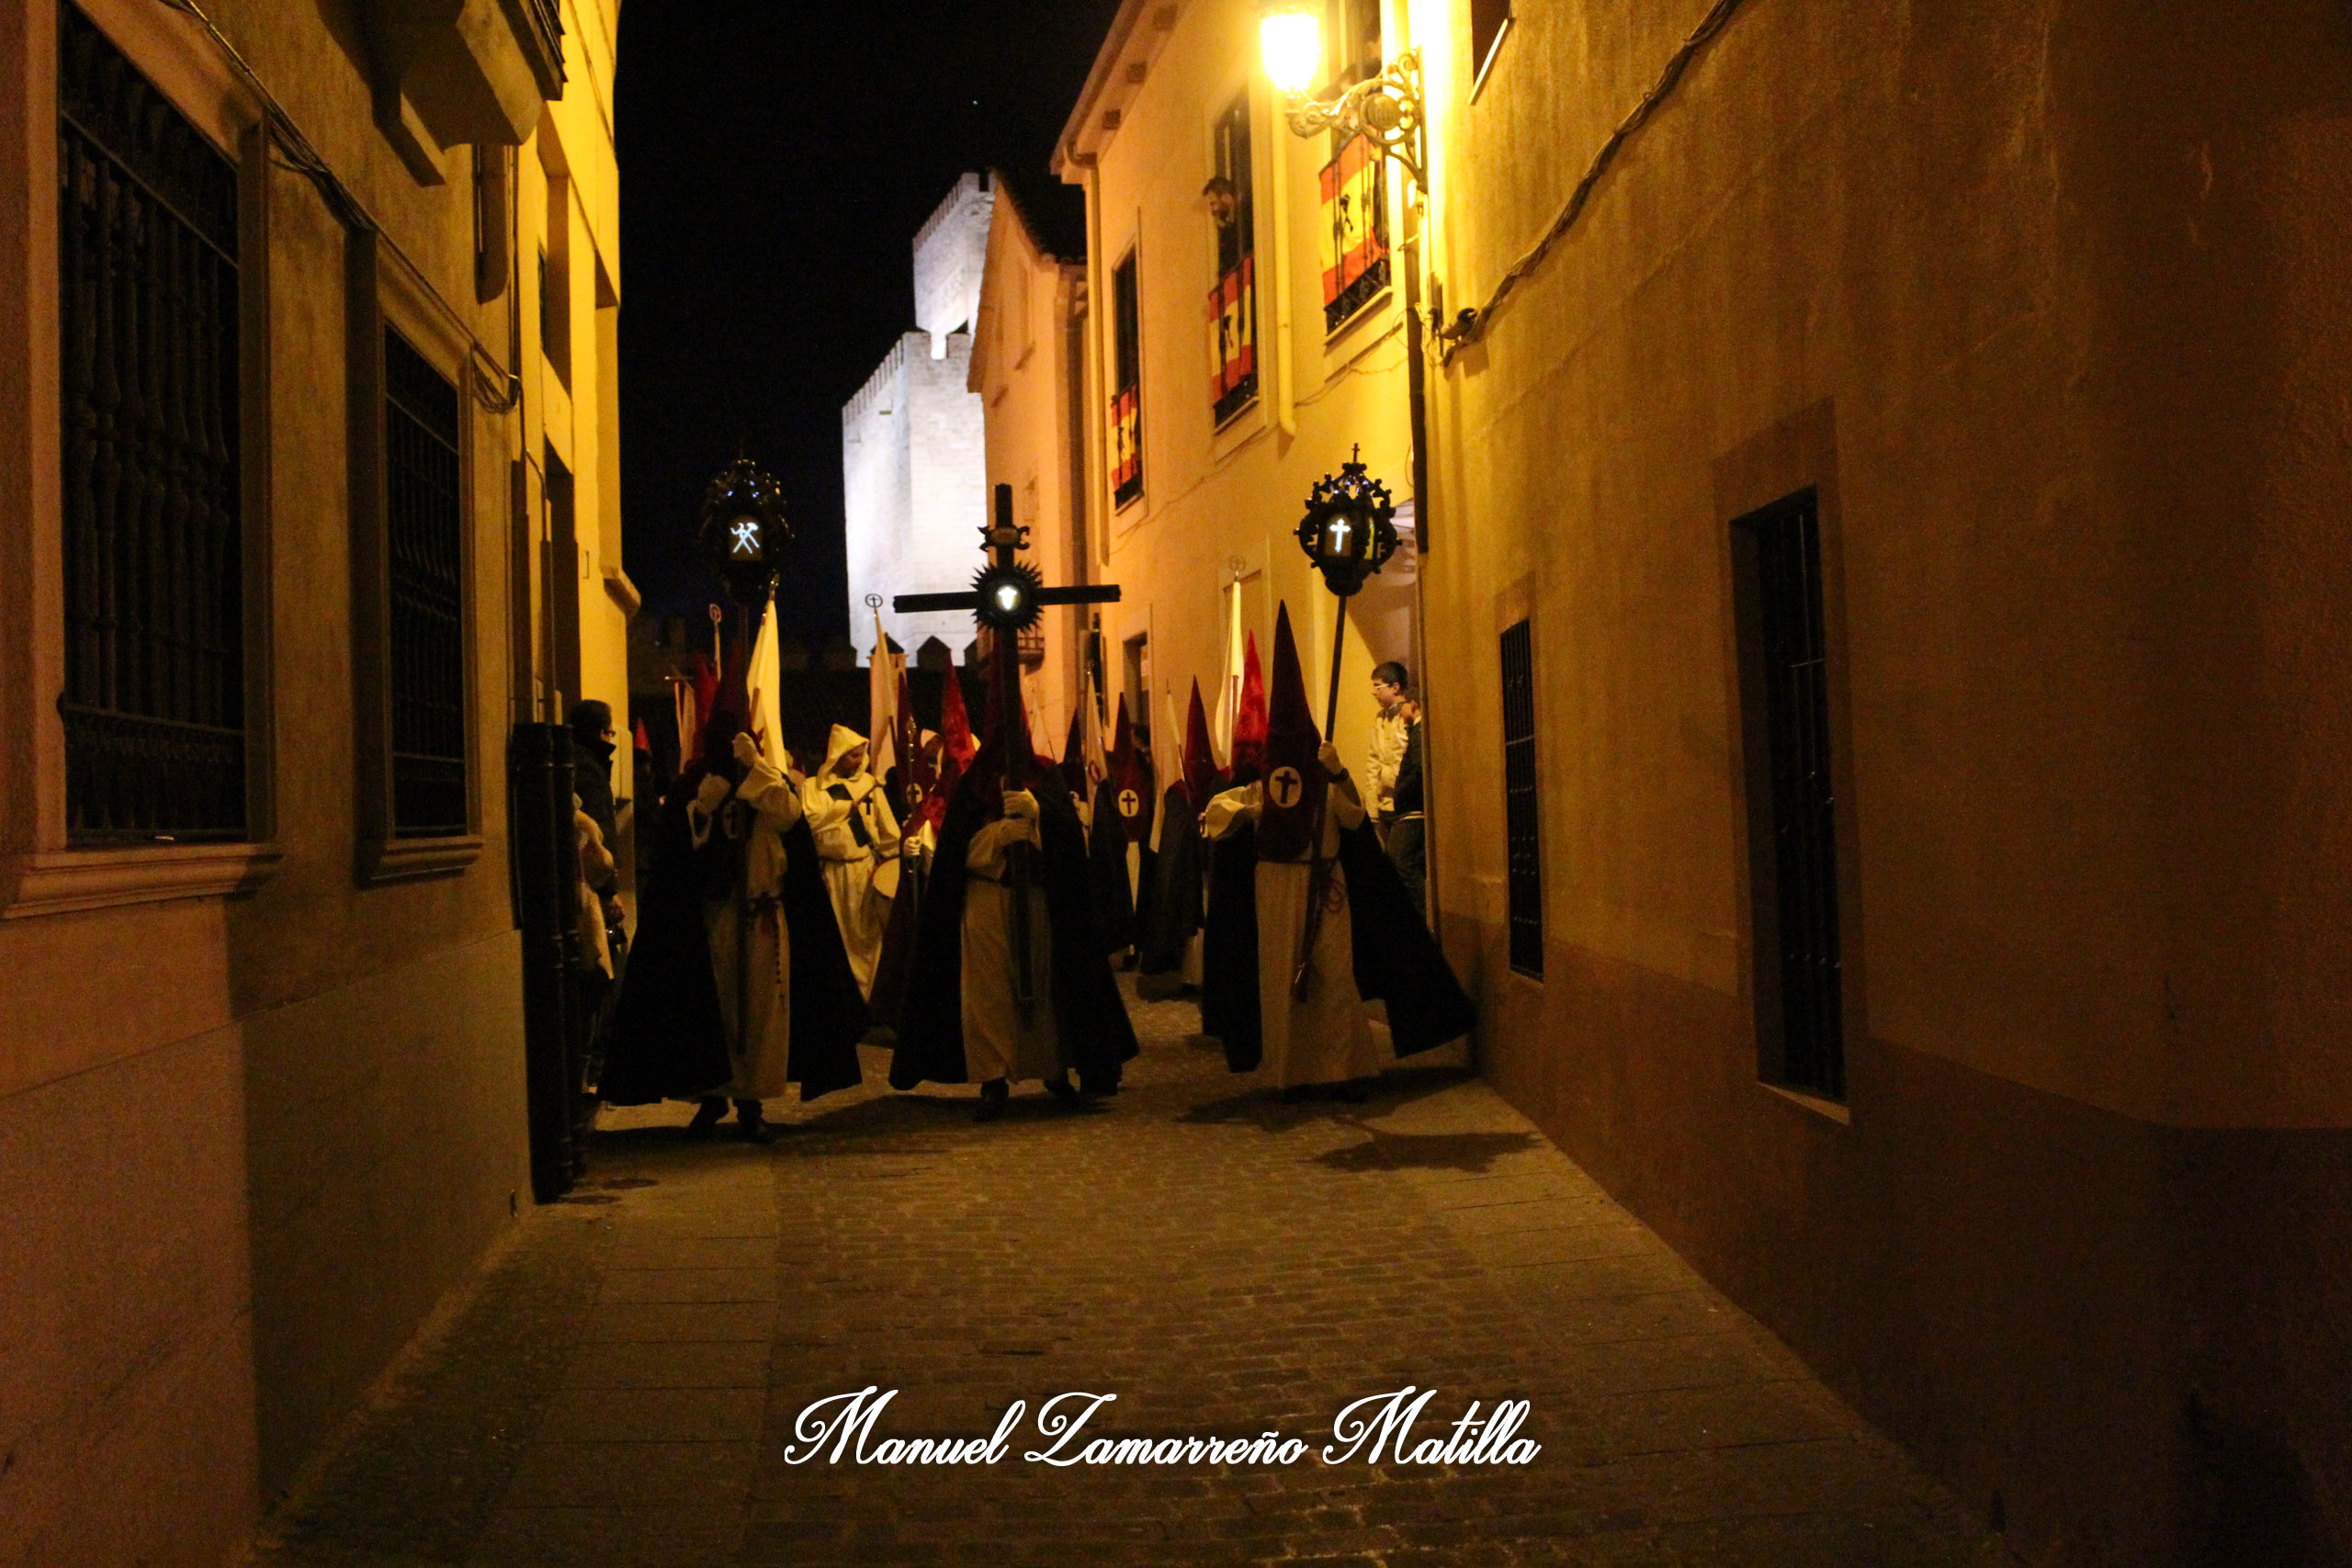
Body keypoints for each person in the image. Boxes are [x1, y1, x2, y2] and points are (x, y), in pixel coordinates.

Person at [1201, 606, 1474, 1100]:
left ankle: (1341, 1069)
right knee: (1282, 984)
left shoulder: (1324, 782)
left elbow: (1353, 818)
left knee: (1333, 978)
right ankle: (1289, 1072)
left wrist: (1339, 772)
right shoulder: (1261, 788)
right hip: (1275, 892)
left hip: (1327, 886)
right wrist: (1248, 810)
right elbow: (1218, 816)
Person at [598, 702, 867, 1140]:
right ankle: (713, 1093)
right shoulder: (695, 784)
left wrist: (755, 772)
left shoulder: (769, 780)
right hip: (715, 918)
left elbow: (788, 816)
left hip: (764, 915)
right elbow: (683, 849)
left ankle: (750, 1101)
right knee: (716, 1009)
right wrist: (706, 806)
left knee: (761, 1015)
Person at [889, 705, 1137, 1121]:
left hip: (1038, 899)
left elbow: (1068, 845)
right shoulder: (973, 786)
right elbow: (955, 854)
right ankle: (993, 1077)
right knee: (989, 996)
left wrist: (1039, 819)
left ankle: (1053, 1069)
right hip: (986, 899)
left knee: (1043, 987)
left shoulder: (1047, 778)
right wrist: (996, 837)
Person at [802, 725, 901, 999]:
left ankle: (871, 997)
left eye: (861, 755)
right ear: (838, 755)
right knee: (836, 937)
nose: (859, 761)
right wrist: (842, 809)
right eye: (853, 755)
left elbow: (887, 831)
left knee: (867, 936)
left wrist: (891, 862)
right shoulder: (814, 788)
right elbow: (809, 821)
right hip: (832, 873)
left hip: (863, 871)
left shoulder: (869, 785)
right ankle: (844, 998)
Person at [569, 699, 627, 943]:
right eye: (610, 733)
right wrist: (608, 891)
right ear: (601, 731)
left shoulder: (571, 761)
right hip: (590, 882)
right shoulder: (591, 770)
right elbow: (600, 828)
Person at [1386, 698, 1427, 916]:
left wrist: (1400, 792)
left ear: (1412, 704)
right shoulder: (1415, 731)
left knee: (1403, 864)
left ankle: (1422, 912)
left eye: (1400, 708)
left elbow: (1419, 770)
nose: (1399, 714)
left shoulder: (1419, 732)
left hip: (1412, 811)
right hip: (1408, 810)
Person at [1364, 663, 1410, 839]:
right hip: (1384, 804)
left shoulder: (1410, 715)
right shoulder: (1380, 718)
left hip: (1405, 805)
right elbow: (1373, 763)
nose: (1374, 692)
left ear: (1395, 688)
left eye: (1378, 687)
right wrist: (1372, 809)